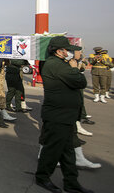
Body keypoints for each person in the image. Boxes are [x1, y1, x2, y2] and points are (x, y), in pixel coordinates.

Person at [35, 36, 93, 193]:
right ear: (59, 51)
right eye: (67, 50)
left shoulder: (60, 64)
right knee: (52, 150)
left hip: (65, 115)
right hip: (57, 116)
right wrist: (74, 68)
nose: (70, 53)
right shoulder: (56, 65)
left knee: (68, 152)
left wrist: (73, 66)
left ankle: (71, 182)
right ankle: (42, 177)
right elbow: (80, 82)